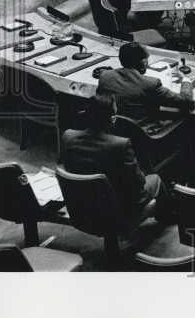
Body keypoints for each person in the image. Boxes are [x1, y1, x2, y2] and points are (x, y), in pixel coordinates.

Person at [60, 93, 174, 224]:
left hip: (80, 208)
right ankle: (166, 217)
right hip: (118, 213)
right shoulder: (120, 145)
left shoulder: (67, 136)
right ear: (112, 119)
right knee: (155, 179)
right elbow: (138, 183)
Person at [97, 42, 194, 123]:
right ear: (144, 63)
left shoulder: (105, 76)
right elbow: (186, 101)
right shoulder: (150, 84)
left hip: (114, 127)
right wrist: (186, 80)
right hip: (143, 131)